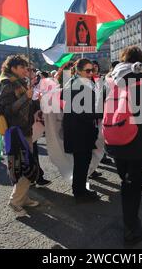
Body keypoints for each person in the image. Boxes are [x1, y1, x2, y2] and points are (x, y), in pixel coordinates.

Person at [105, 46, 142, 245]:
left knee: (125, 180)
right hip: (138, 141)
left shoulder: (110, 81)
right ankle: (131, 227)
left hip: (114, 137)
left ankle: (130, 218)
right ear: (140, 61)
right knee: (134, 186)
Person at [0, 55, 39, 217]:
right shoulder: (7, 85)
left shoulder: (20, 83)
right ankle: (15, 201)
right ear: (13, 68)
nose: (26, 71)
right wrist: (25, 98)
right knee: (25, 166)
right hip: (16, 131)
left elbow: (26, 106)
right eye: (23, 68)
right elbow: (4, 110)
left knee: (24, 166)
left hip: (25, 129)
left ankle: (23, 197)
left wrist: (35, 101)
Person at [62, 59, 102, 202]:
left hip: (82, 129)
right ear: (79, 70)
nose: (91, 73)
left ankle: (80, 189)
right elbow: (81, 112)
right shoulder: (77, 84)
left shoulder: (79, 82)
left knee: (83, 161)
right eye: (88, 71)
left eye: (93, 70)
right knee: (81, 162)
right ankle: (79, 192)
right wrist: (100, 113)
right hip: (79, 130)